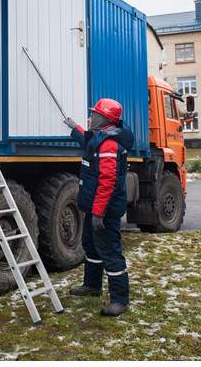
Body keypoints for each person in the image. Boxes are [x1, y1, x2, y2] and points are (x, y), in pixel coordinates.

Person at [64, 98, 134, 317]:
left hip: (103, 212)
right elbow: (87, 142)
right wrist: (75, 128)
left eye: (93, 114)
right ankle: (92, 285)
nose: (89, 117)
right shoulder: (100, 138)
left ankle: (120, 300)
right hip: (94, 208)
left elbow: (107, 182)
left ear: (103, 119)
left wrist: (98, 213)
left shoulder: (109, 146)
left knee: (110, 252)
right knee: (92, 247)